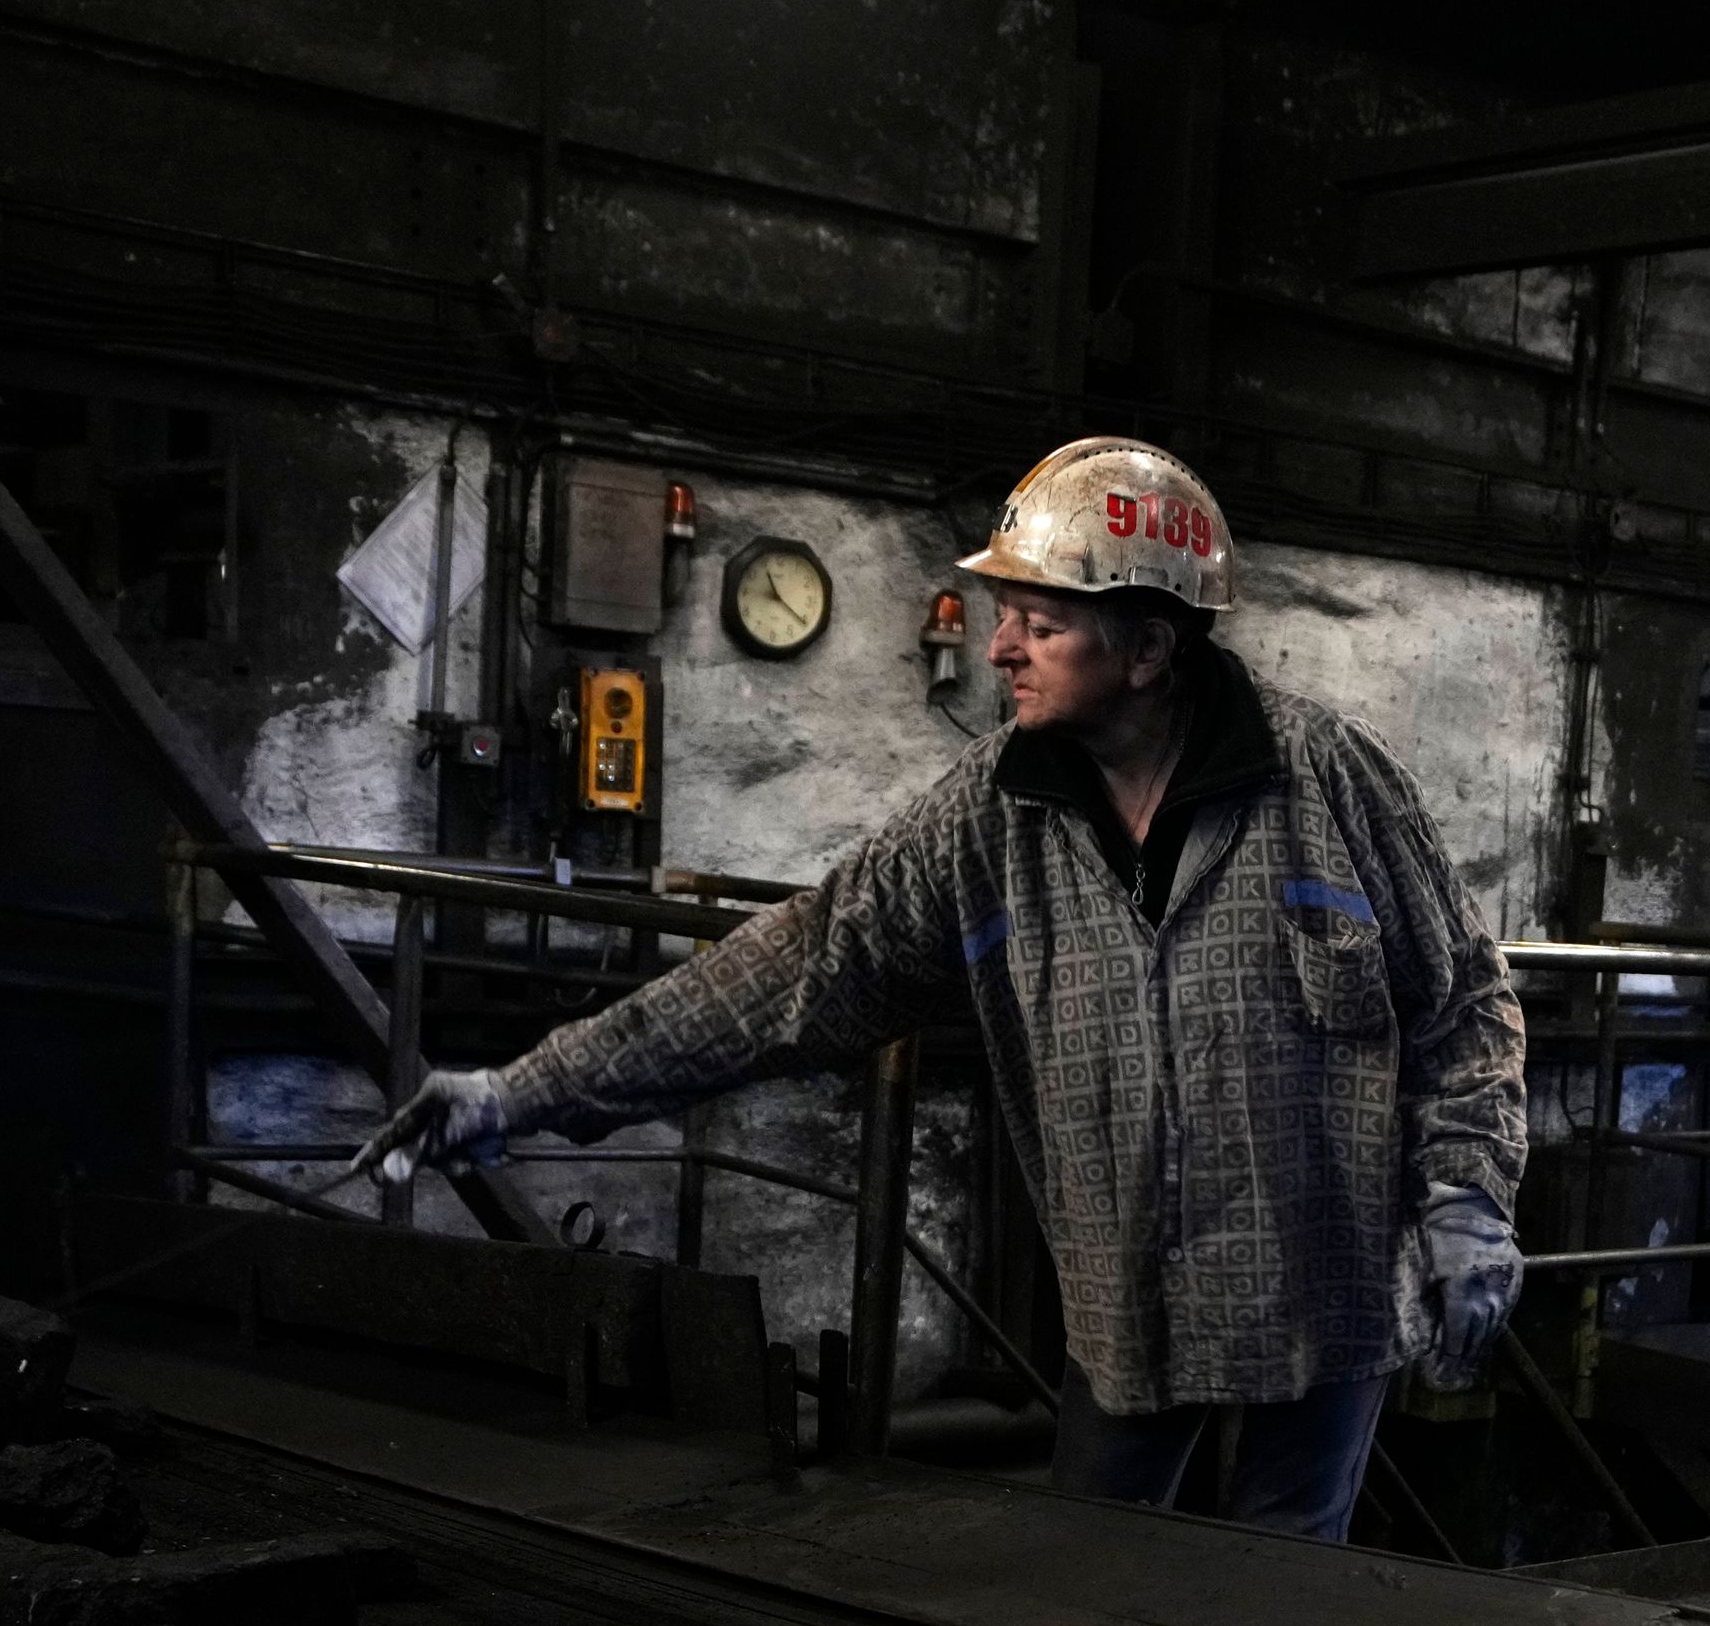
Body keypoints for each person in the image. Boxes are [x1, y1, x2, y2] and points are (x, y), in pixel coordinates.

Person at [365, 437, 1527, 1542]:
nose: (1000, 649)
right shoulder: (987, 818)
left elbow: (1466, 1005)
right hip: (1127, 1312)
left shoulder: (1328, 784)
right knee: (1094, 1598)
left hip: (1325, 1296)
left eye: (1041, 623)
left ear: (1149, 648)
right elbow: (796, 968)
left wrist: (1466, 1199)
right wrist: (519, 1092)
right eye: (1004, 617)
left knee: (1296, 1598)